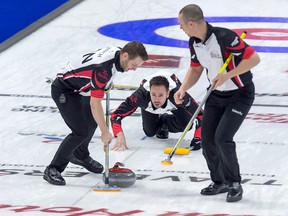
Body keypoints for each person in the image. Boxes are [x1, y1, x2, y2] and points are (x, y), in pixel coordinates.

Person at [175, 4, 260, 202]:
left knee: (223, 138)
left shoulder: (224, 37)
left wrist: (228, 75)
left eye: (182, 25)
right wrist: (182, 89)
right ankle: (219, 181)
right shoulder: (193, 42)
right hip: (215, 94)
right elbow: (195, 70)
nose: (181, 28)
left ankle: (234, 183)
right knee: (207, 139)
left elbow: (254, 59)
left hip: (240, 94)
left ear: (191, 23)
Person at [43, 41, 148, 186]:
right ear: (125, 56)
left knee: (92, 122)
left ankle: (80, 155)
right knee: (81, 131)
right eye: (134, 65)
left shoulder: (118, 52)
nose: (134, 69)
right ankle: (53, 168)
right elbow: (95, 103)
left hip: (81, 88)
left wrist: (106, 83)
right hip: (65, 90)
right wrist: (105, 132)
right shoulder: (102, 70)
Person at [110, 72, 203, 151]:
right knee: (149, 132)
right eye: (153, 94)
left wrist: (198, 138)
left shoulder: (178, 95)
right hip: (148, 104)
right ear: (149, 91)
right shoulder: (140, 96)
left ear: (167, 94)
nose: (156, 99)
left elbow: (201, 115)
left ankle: (165, 120)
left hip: (175, 101)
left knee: (186, 125)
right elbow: (116, 115)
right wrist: (119, 134)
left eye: (160, 95)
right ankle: (159, 122)